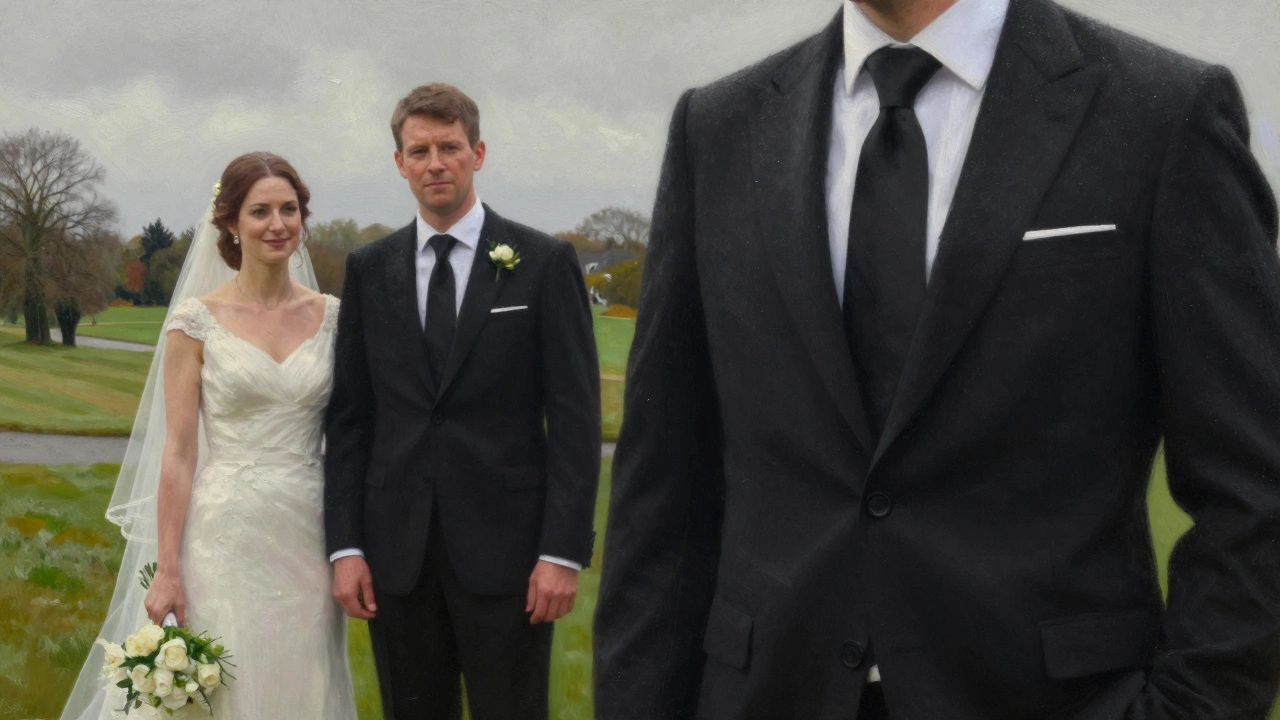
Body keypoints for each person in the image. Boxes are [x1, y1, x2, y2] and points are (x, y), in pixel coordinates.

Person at [593, 0, 1280, 717]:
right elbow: (662, 481)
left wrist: (1197, 705)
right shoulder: (718, 127)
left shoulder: (1161, 113)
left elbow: (1254, 477)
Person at [324, 83, 600, 720]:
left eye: (449, 147)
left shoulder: (543, 262)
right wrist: (346, 547)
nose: (435, 163)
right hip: (397, 555)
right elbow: (351, 419)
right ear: (399, 163)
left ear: (478, 152)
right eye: (418, 150)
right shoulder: (369, 270)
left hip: (511, 555)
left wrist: (560, 553)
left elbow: (577, 419)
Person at [60, 152, 356, 720]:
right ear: (229, 223)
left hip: (310, 537)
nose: (277, 224)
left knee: (306, 679)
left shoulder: (335, 318)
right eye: (260, 211)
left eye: (289, 210)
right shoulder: (195, 323)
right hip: (225, 537)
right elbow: (176, 453)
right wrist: (167, 567)